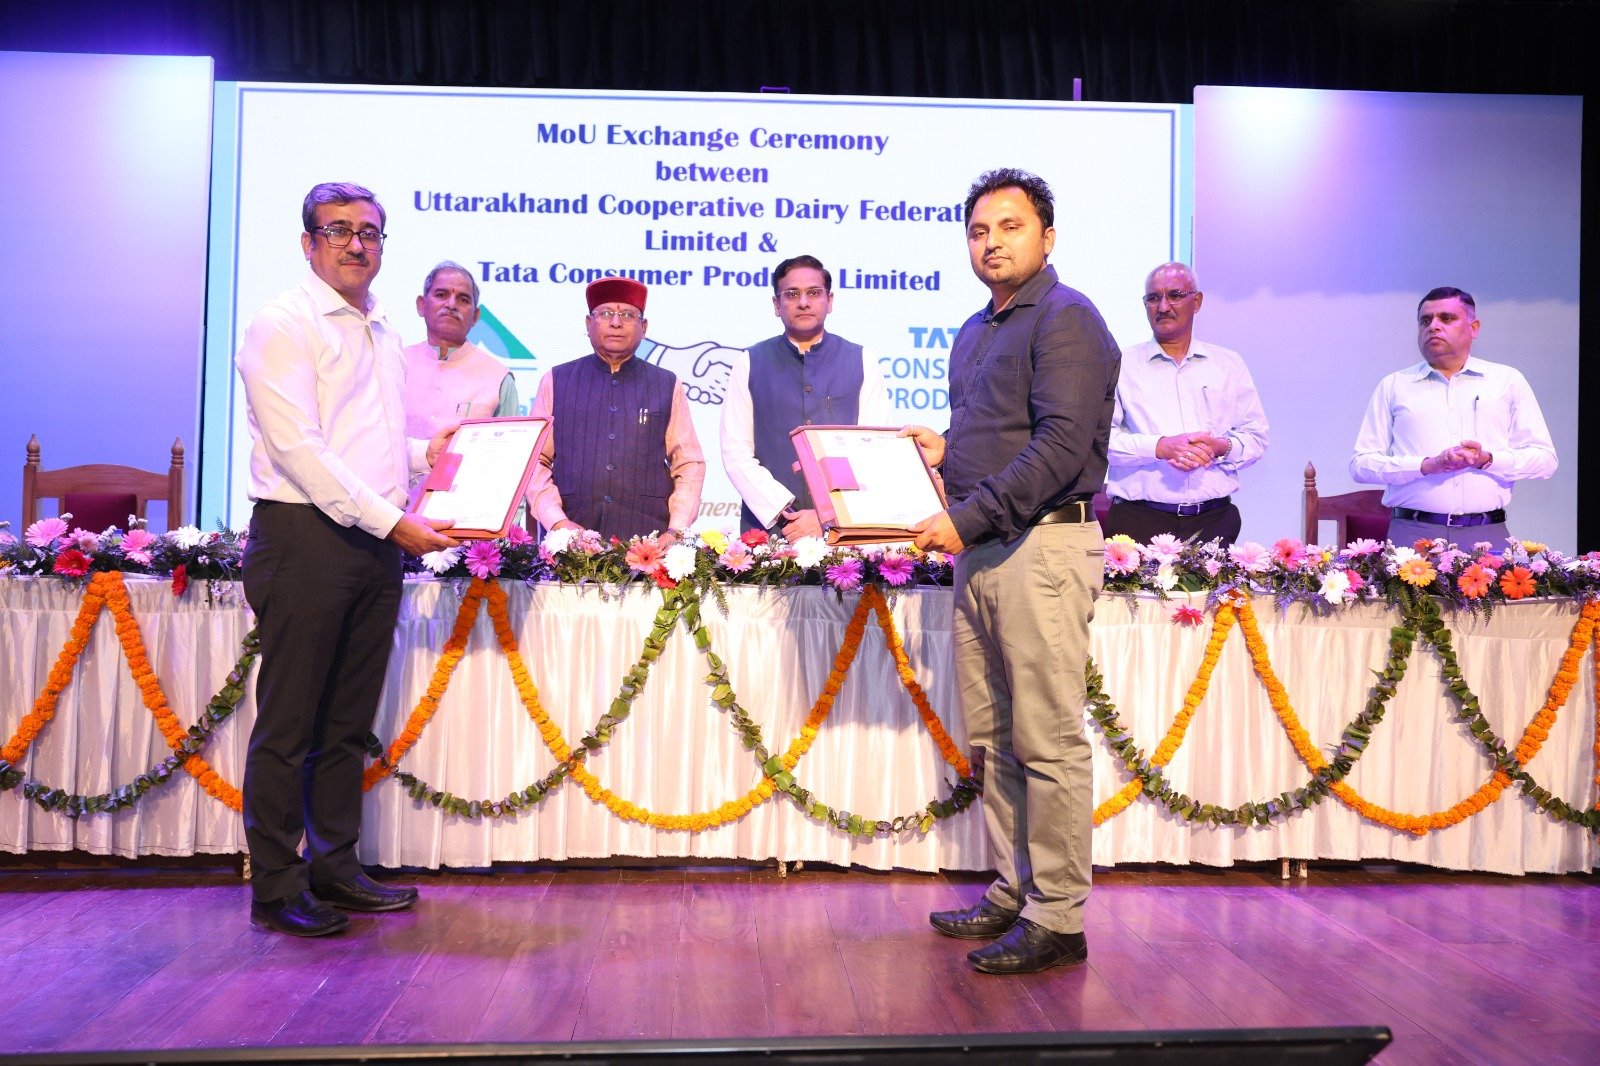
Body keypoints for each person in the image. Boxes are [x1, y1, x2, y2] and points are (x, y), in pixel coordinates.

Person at [905, 168, 1119, 975]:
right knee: (995, 737)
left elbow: (1060, 449)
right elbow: (997, 437)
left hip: (1042, 546)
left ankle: (1058, 917)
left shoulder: (1069, 319)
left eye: (1010, 226)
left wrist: (963, 518)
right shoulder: (975, 329)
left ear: (1047, 237)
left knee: (1047, 739)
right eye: (978, 231)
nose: (991, 242)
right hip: (986, 550)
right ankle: (1014, 890)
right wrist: (944, 452)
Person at [235, 182, 460, 937]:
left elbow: (367, 439)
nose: (356, 244)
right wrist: (395, 523)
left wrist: (429, 456)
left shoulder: (383, 327)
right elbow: (300, 450)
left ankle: (335, 867)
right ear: (308, 243)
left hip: (371, 541)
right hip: (304, 537)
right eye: (338, 230)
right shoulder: (283, 323)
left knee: (344, 721)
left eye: (369, 232)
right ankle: (276, 885)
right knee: (290, 721)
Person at [1350, 286, 1556, 548]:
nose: (1433, 326)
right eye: (1425, 321)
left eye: (1446, 318)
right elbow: (1361, 465)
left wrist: (1487, 460)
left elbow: (1545, 461)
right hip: (1412, 535)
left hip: (1487, 534)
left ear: (1474, 328)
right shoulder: (1394, 385)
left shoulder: (1507, 381)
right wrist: (1426, 465)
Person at [720, 254, 893, 539]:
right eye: (791, 294)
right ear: (776, 305)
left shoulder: (862, 360)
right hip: (772, 531)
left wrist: (828, 514)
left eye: (814, 293)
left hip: (845, 530)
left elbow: (873, 451)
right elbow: (735, 452)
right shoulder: (750, 362)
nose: (803, 302)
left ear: (830, 301)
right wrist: (783, 509)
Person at [525, 277, 705, 541]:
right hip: (569, 540)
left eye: (628, 315)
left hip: (649, 544)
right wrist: (557, 521)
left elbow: (689, 463)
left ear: (644, 327)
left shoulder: (666, 383)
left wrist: (675, 530)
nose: (616, 323)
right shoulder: (556, 380)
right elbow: (534, 461)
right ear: (588, 324)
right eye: (606, 313)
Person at [1103, 262, 1267, 547]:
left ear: (1197, 301)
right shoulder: (1121, 364)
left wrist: (1220, 447)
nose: (1163, 306)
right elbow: (1101, 440)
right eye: (1153, 298)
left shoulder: (1228, 364)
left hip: (1214, 521)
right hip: (1138, 520)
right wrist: (1161, 447)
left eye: (1175, 295)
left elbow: (1256, 437)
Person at [401, 260, 518, 439]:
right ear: (422, 305)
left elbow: (509, 447)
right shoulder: (396, 362)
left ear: (475, 317)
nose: (451, 304)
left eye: (463, 299)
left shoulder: (499, 377)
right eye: (441, 295)